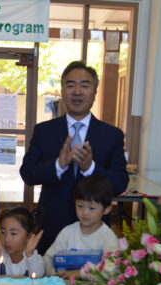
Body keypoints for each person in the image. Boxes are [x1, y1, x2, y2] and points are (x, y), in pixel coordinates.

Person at [20, 61, 129, 255]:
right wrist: (58, 165)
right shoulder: (44, 131)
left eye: (84, 86)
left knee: (91, 283)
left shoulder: (112, 135)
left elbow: (120, 183)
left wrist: (90, 168)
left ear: (94, 92)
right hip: (52, 227)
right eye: (70, 85)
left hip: (95, 235)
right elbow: (28, 174)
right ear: (62, 91)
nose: (77, 91)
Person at [43, 176, 118, 280]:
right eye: (80, 206)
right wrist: (53, 275)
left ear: (106, 209)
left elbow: (111, 270)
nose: (85, 212)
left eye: (91, 208)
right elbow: (48, 257)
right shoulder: (67, 232)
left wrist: (78, 273)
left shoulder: (108, 237)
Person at [0, 207, 44, 277]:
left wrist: (30, 254)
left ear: (29, 236)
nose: (6, 239)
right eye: (3, 232)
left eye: (13, 233)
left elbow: (38, 275)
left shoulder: (34, 257)